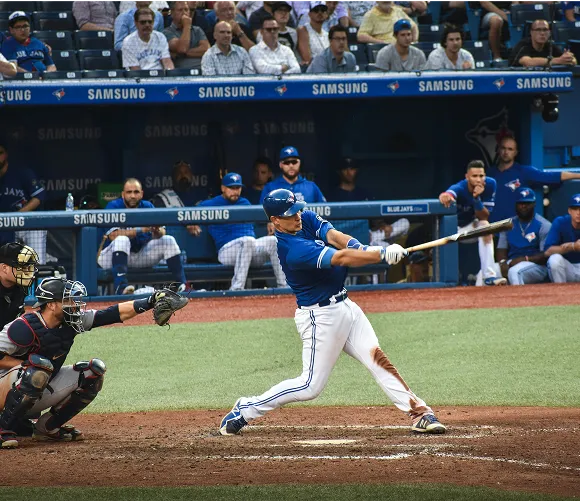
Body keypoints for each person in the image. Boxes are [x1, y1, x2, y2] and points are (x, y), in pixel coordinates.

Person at [218, 188, 446, 436]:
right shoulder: (293, 250)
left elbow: (336, 237)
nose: (297, 216)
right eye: (290, 213)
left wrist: (364, 247)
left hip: (346, 306)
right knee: (309, 386)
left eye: (297, 209)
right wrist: (380, 254)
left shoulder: (302, 217)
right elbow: (341, 258)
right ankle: (246, 408)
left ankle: (420, 412)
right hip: (320, 318)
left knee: (376, 359)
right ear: (275, 221)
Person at [0, 277, 169, 448]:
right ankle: (3, 429)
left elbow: (112, 314)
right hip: (5, 389)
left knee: (92, 372)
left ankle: (47, 427)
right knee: (38, 368)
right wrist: (23, 365)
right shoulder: (24, 326)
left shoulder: (71, 322)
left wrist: (150, 301)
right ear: (51, 304)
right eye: (68, 300)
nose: (74, 304)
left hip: (35, 386)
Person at [191, 173, 287, 290]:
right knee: (247, 241)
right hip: (226, 252)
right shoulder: (212, 203)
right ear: (223, 188)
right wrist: (190, 224)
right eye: (231, 188)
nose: (235, 191)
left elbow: (265, 214)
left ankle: (284, 287)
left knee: (274, 240)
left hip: (251, 251)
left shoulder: (245, 203)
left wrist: (270, 221)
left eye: (238, 188)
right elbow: (190, 212)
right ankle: (236, 288)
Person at [97, 178, 187, 295]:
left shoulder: (148, 206)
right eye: (129, 192)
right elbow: (113, 235)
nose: (133, 196)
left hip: (139, 255)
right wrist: (141, 229)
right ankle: (121, 287)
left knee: (168, 240)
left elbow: (162, 232)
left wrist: (156, 231)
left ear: (142, 194)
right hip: (110, 257)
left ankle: (182, 285)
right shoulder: (113, 206)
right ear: (123, 194)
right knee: (122, 240)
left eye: (136, 192)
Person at [438, 160, 506, 286]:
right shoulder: (460, 187)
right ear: (467, 177)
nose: (479, 179)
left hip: (469, 227)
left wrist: (476, 198)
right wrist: (445, 195)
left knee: (485, 226)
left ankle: (489, 276)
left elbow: (484, 216)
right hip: (452, 230)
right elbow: (450, 192)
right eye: (474, 176)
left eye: (481, 176)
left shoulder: (490, 184)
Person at [486, 135, 580, 223]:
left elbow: (552, 176)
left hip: (513, 228)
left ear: (515, 152)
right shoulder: (489, 174)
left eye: (510, 149)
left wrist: (578, 175)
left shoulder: (523, 171)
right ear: (498, 150)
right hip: (492, 227)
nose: (506, 152)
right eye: (503, 148)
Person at [475, 188, 551, 285]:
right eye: (521, 203)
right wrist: (503, 263)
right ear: (516, 205)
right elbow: (501, 249)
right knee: (483, 274)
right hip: (511, 262)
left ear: (534, 204)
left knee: (515, 272)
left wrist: (524, 259)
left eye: (527, 203)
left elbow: (544, 255)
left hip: (536, 265)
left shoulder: (543, 225)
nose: (523, 206)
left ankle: (518, 300)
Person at [0, 143, 48, 264]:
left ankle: (38, 278)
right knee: (8, 264)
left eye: (0, 153)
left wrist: (18, 215)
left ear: (6, 155)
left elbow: (38, 197)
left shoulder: (21, 172)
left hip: (29, 224)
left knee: (36, 263)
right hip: (5, 227)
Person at [259, 146, 326, 204]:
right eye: (287, 162)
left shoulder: (311, 187)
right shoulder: (270, 188)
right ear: (280, 165)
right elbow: (261, 214)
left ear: (299, 163)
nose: (291, 165)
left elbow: (325, 212)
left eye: (294, 162)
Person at [0, 243, 39, 330]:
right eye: (22, 267)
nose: (28, 272)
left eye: (29, 267)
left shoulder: (19, 287)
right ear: (4, 268)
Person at [509, 19, 576, 67]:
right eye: (538, 30)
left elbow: (573, 60)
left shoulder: (550, 46)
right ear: (531, 32)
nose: (542, 33)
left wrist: (569, 58)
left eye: (545, 30)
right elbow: (528, 62)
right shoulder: (523, 45)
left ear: (549, 33)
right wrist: (557, 60)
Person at [544, 194, 580, 283]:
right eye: (575, 209)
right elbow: (548, 251)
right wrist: (573, 246)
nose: (578, 212)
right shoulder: (560, 222)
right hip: (567, 269)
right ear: (569, 211)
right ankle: (560, 293)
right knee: (554, 259)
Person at [164, 0, 210, 70]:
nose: (184, 13)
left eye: (186, 10)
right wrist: (187, 26)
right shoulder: (167, 32)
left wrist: (182, 54)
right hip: (181, 72)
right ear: (172, 13)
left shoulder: (197, 30)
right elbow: (182, 48)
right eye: (180, 10)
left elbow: (206, 50)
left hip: (202, 70)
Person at [297, 0, 330, 67]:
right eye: (316, 10)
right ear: (310, 14)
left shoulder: (327, 34)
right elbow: (307, 58)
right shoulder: (303, 30)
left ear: (326, 15)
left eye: (323, 10)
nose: (320, 13)